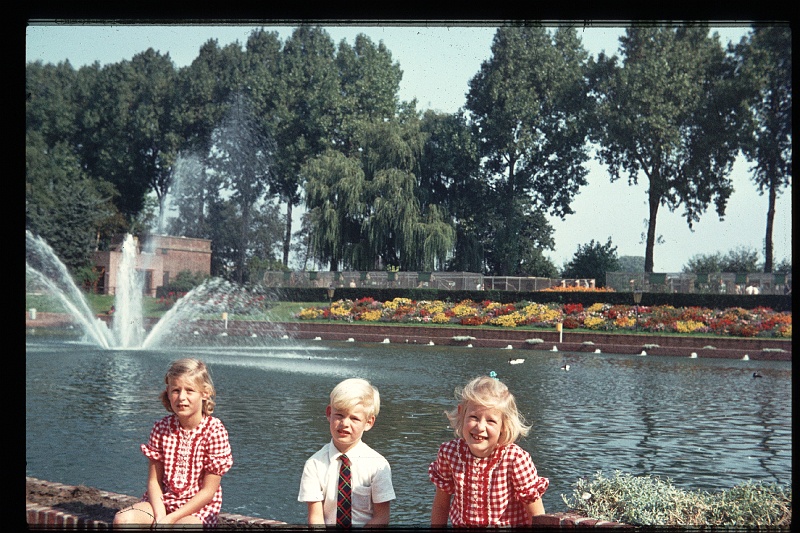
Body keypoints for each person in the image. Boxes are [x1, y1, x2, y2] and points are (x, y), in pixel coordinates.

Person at [113, 358, 233, 528]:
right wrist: (161, 515)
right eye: (176, 390)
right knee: (123, 520)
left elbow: (208, 491)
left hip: (196, 509)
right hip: (162, 503)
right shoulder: (161, 428)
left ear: (205, 393)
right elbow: (154, 481)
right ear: (168, 393)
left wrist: (172, 519)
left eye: (190, 390)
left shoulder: (214, 430)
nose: (181, 397)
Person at [429, 375, 549, 526]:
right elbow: (441, 506)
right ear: (461, 413)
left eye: (491, 421)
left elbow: (536, 514)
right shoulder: (450, 453)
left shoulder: (515, 459)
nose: (480, 427)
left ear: (504, 425)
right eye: (473, 417)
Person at [298, 378, 395, 526]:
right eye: (339, 415)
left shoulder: (378, 465)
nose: (345, 424)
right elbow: (315, 518)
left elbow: (381, 518)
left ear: (368, 422)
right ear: (329, 413)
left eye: (355, 418)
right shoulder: (314, 464)